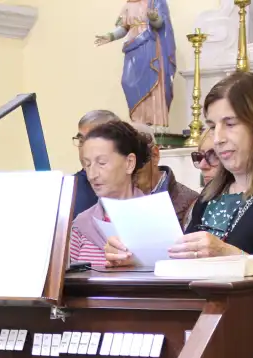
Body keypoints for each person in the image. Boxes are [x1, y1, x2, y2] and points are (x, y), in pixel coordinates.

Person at [106, 71, 253, 268]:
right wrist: (136, 257)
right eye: (212, 127)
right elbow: (184, 259)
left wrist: (230, 255)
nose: (218, 138)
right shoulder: (213, 192)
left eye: (230, 124)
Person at [67, 120, 151, 269]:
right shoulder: (81, 224)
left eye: (102, 163)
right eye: (87, 165)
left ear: (129, 163)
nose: (92, 175)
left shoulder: (156, 217)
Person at [94, 1, 176, 129]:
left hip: (150, 46)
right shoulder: (129, 5)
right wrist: (110, 36)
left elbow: (160, 24)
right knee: (127, 81)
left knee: (153, 80)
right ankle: (139, 122)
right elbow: (123, 28)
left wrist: (154, 18)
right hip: (132, 48)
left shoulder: (155, 1)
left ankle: (154, 122)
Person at [135, 127, 199, 227]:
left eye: (136, 175)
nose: (128, 182)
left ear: (155, 155)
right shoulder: (116, 197)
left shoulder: (190, 201)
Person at [73, 110, 119, 217]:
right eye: (81, 140)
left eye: (91, 141)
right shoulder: (68, 190)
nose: (84, 148)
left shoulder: (131, 186)